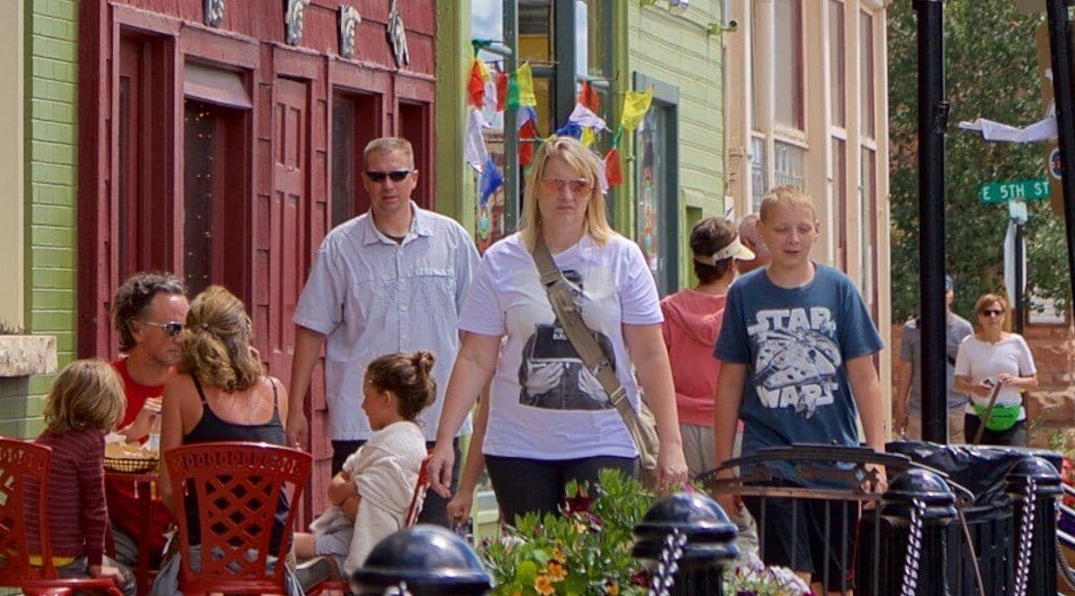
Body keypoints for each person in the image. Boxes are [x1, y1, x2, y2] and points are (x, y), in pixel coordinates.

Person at [434, 135, 688, 520]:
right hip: (519, 443)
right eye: (555, 183)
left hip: (604, 437)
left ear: (593, 194)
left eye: (579, 185)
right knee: (532, 567)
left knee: (598, 565)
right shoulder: (503, 260)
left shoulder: (622, 258)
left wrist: (671, 443)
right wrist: (444, 440)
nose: (566, 195)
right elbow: (475, 357)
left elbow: (651, 355)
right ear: (536, 188)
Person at [286, 137, 484, 530]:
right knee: (365, 537)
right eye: (378, 177)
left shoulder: (451, 240)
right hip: (364, 423)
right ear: (364, 182)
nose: (387, 186)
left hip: (437, 422)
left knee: (432, 541)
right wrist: (295, 406)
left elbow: (480, 334)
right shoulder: (340, 248)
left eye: (396, 175)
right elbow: (311, 328)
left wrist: (486, 407)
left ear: (414, 178)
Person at [712, 189, 889, 592]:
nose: (792, 239)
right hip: (770, 457)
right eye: (781, 230)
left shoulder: (839, 290)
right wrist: (725, 466)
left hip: (834, 456)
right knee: (793, 575)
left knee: (838, 582)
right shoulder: (745, 294)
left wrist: (876, 458)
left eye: (802, 229)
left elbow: (865, 377)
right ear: (761, 233)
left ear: (816, 232)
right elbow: (731, 381)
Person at [161, 287, 289, 596]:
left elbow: (166, 487)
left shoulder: (181, 387)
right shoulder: (276, 391)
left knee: (206, 560)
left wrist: (186, 532)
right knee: (246, 563)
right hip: (268, 548)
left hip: (209, 543)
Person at [36, 360, 130, 596]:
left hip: (26, 556)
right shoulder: (90, 442)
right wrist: (97, 559)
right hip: (63, 556)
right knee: (127, 584)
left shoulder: (46, 438)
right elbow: (95, 507)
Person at [294, 350, 433, 580]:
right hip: (346, 533)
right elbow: (336, 489)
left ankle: (316, 571)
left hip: (363, 544)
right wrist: (357, 487)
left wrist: (351, 488)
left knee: (280, 547)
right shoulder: (382, 444)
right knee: (282, 547)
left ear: (386, 398)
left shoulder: (399, 449)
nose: (362, 405)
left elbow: (360, 510)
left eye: (367, 395)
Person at [663, 216, 752, 477]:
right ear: (732, 265)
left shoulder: (668, 310)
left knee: (681, 514)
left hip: (678, 428)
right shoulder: (742, 309)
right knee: (735, 515)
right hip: (733, 428)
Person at [110, 271, 191, 436]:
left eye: (189, 328)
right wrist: (130, 436)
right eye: (173, 329)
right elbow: (76, 452)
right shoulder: (103, 386)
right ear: (137, 329)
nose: (182, 338)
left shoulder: (194, 386)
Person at [952, 293, 1039, 446]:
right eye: (987, 313)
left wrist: (1014, 380)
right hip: (978, 416)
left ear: (1003, 316)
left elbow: (1033, 382)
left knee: (1012, 465)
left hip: (1013, 418)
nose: (992, 316)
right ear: (979, 317)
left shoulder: (1016, 342)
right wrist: (975, 388)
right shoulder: (968, 344)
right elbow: (959, 383)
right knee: (981, 467)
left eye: (997, 312)